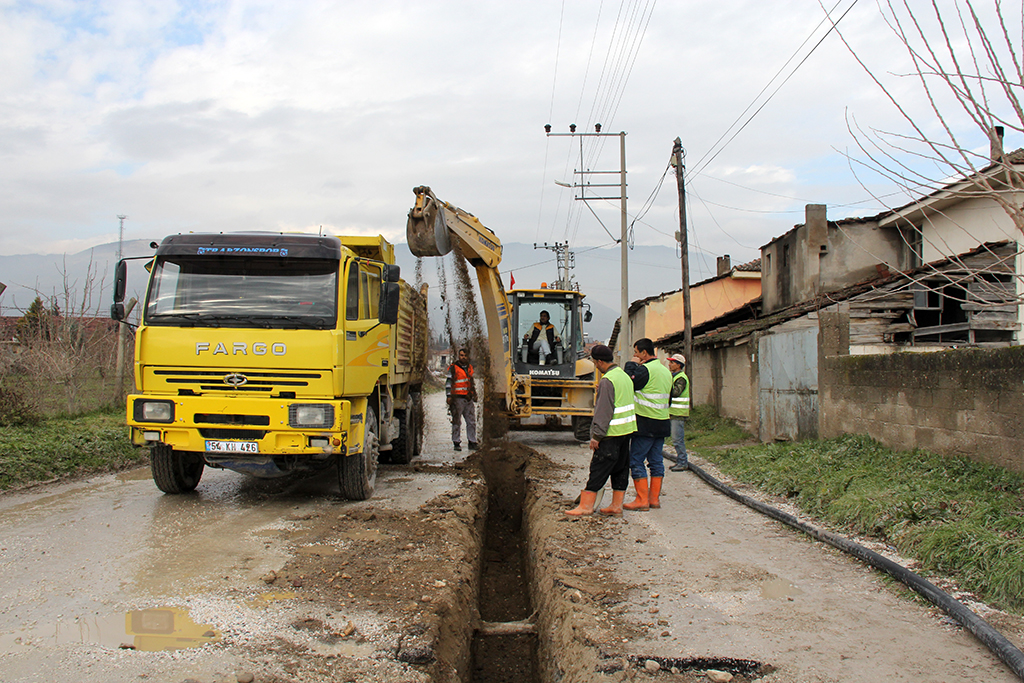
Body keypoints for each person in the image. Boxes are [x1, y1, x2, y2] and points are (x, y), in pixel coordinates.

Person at [565, 344, 636, 516]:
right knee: (620, 469)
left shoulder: (607, 381)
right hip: (626, 432)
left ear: (600, 361)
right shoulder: (623, 376)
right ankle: (616, 506)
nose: (595, 366)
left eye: (595, 362)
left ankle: (586, 506)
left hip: (610, 434)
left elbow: (604, 412)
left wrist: (596, 436)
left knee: (598, 468)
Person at [622, 338, 672, 510]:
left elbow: (627, 382)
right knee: (656, 461)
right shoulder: (666, 371)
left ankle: (642, 500)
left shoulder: (645, 370)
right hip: (662, 423)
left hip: (645, 423)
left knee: (636, 460)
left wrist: (631, 364)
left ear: (644, 353)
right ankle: (654, 499)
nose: (635, 355)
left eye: (636, 352)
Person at [445, 347, 478, 451]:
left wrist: (474, 394)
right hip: (457, 398)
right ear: (458, 356)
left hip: (468, 398)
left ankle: (472, 441)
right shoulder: (454, 368)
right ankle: (456, 442)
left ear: (468, 357)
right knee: (456, 421)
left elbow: (471, 381)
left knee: (471, 421)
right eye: (461, 355)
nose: (463, 357)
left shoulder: (469, 368)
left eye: (465, 355)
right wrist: (449, 396)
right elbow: (448, 382)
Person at [667, 353, 690, 471]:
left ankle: (682, 462)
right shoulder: (674, 376)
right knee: (675, 438)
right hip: (673, 413)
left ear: (678, 365)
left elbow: (676, 392)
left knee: (677, 439)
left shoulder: (681, 378)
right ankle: (681, 461)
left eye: (672, 362)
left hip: (678, 413)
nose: (669, 364)